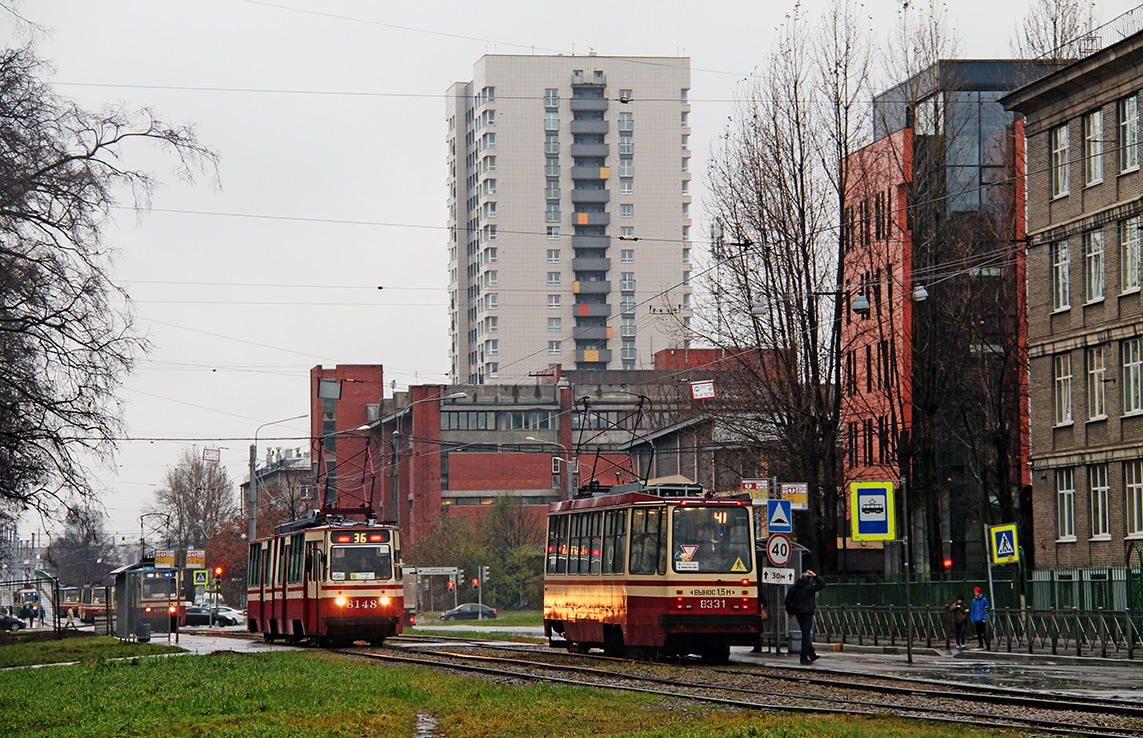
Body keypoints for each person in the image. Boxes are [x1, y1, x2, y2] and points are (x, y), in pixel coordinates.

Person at [784, 569, 826, 665]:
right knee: (806, 635)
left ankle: (812, 654)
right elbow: (822, 584)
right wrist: (815, 576)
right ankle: (803, 657)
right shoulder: (809, 588)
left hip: (798, 613)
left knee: (805, 633)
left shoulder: (794, 588)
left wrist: (790, 612)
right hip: (808, 613)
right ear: (809, 579)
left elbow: (787, 601)